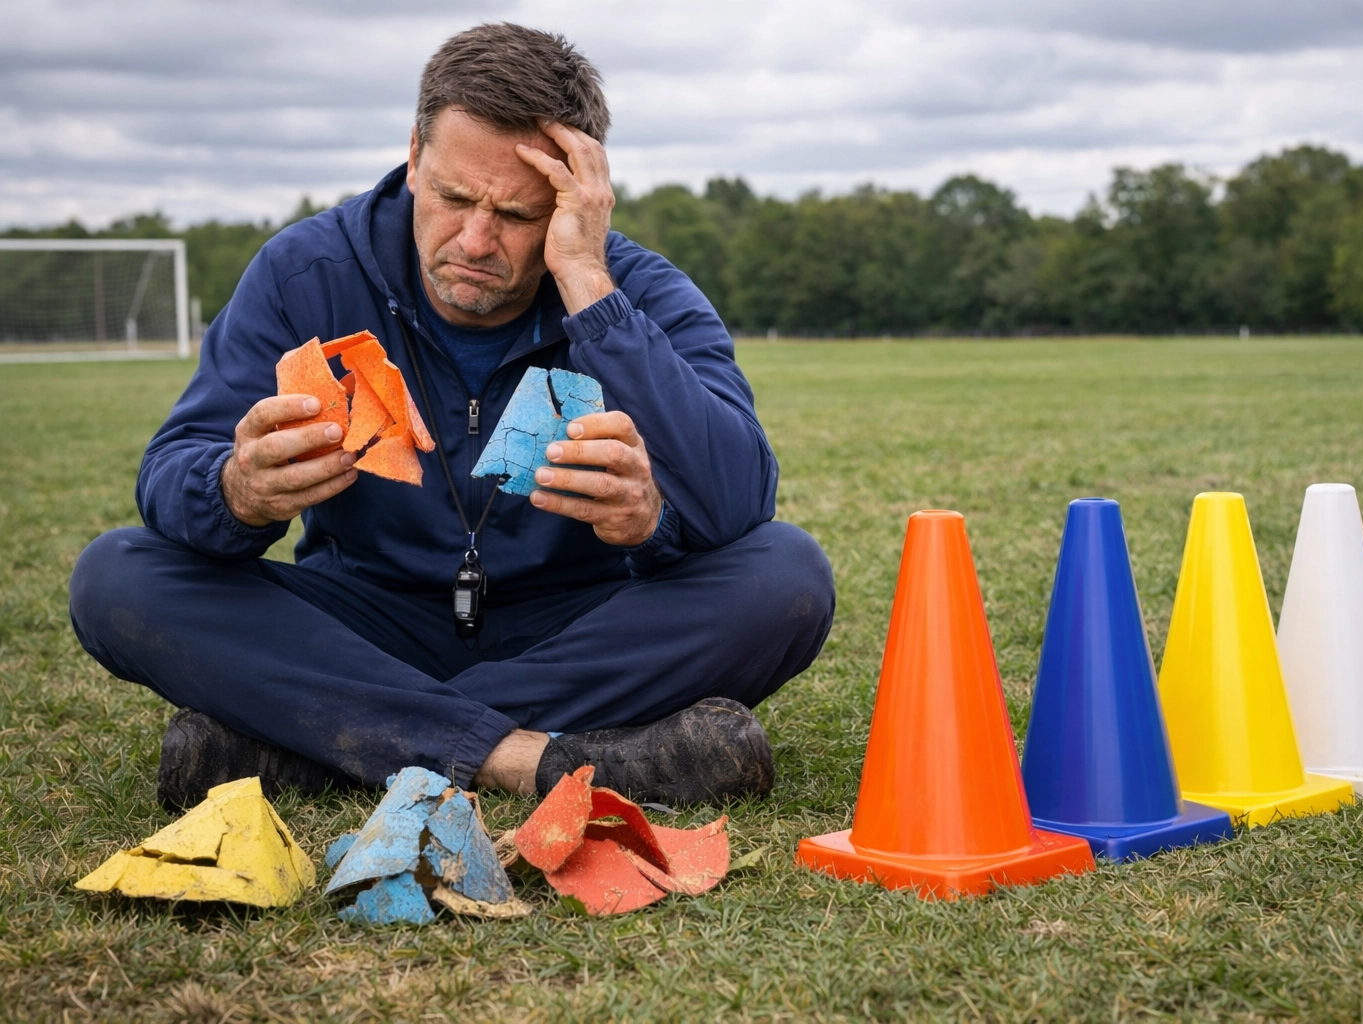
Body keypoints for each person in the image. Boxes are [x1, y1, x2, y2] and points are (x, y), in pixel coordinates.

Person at [68, 23, 835, 811]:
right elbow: (173, 469)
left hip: (576, 626)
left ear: (579, 200)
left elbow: (741, 501)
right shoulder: (306, 273)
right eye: (453, 196)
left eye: (518, 213)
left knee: (788, 576)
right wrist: (236, 490)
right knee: (116, 576)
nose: (475, 239)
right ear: (414, 153)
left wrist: (589, 296)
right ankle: (529, 760)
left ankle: (330, 745)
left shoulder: (631, 291)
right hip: (364, 621)